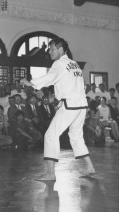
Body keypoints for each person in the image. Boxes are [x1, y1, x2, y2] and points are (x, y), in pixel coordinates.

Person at [20, 37, 95, 181]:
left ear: (60, 49)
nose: (50, 52)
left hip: (69, 105)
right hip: (81, 106)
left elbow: (50, 77)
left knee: (50, 135)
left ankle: (50, 173)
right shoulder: (74, 64)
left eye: (52, 49)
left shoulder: (59, 63)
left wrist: (31, 83)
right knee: (76, 136)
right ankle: (89, 166)